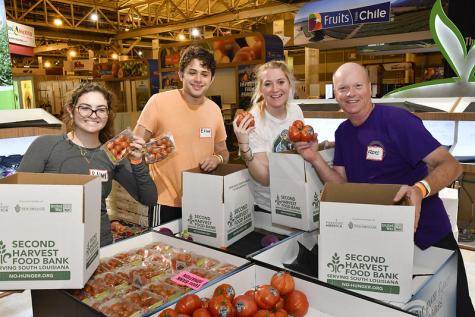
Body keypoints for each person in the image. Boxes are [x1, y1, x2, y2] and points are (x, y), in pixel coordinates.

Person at [295, 62, 474, 316]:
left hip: (426, 236)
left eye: (358, 86)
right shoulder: (343, 132)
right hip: (381, 241)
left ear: (370, 88)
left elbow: (451, 166)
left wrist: (420, 190)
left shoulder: (398, 121)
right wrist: (315, 158)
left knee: (456, 307)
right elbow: (342, 187)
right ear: (334, 94)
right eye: (343, 88)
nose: (351, 93)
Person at [18, 82, 157, 247]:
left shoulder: (111, 153)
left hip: (99, 243)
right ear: (71, 110)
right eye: (85, 108)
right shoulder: (45, 145)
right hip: (54, 244)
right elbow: (17, 197)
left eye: (101, 109)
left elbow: (149, 198)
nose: (93, 114)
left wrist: (137, 161)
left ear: (108, 114)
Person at [134, 46, 229, 225]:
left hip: (202, 201)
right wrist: (149, 152)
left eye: (205, 73)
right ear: (180, 75)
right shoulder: (158, 102)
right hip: (164, 202)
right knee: (163, 252)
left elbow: (223, 152)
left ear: (212, 78)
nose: (198, 79)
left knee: (200, 252)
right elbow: (134, 146)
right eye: (192, 72)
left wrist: (217, 158)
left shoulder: (214, 110)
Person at [233, 60, 304, 215]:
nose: (275, 89)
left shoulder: (295, 111)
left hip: (297, 196)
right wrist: (244, 147)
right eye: (268, 84)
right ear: (260, 88)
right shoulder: (253, 122)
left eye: (280, 82)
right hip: (268, 206)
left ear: (289, 84)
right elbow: (265, 178)